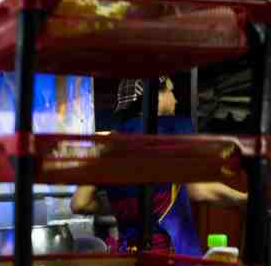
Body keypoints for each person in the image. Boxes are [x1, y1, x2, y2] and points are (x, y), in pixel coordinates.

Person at [71, 76, 246, 255]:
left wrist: (125, 207)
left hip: (131, 258)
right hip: (173, 255)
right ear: (155, 96)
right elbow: (197, 189)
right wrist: (242, 199)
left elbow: (79, 203)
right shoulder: (173, 132)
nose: (175, 99)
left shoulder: (107, 145)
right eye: (171, 91)